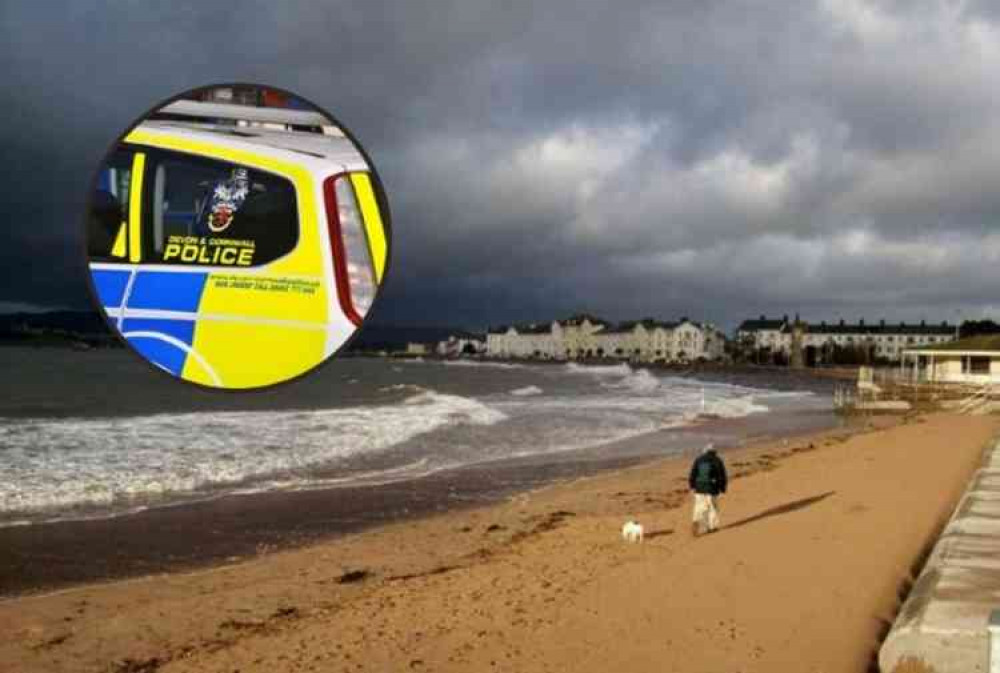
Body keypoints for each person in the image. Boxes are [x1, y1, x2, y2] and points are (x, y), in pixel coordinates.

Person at [688, 443, 727, 537]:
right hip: (712, 488)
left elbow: (693, 473)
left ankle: (696, 520)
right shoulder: (717, 460)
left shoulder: (698, 459)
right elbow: (722, 476)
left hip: (699, 487)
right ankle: (711, 527)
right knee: (712, 507)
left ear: (705, 450)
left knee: (699, 506)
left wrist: (692, 486)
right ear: (714, 452)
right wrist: (722, 489)